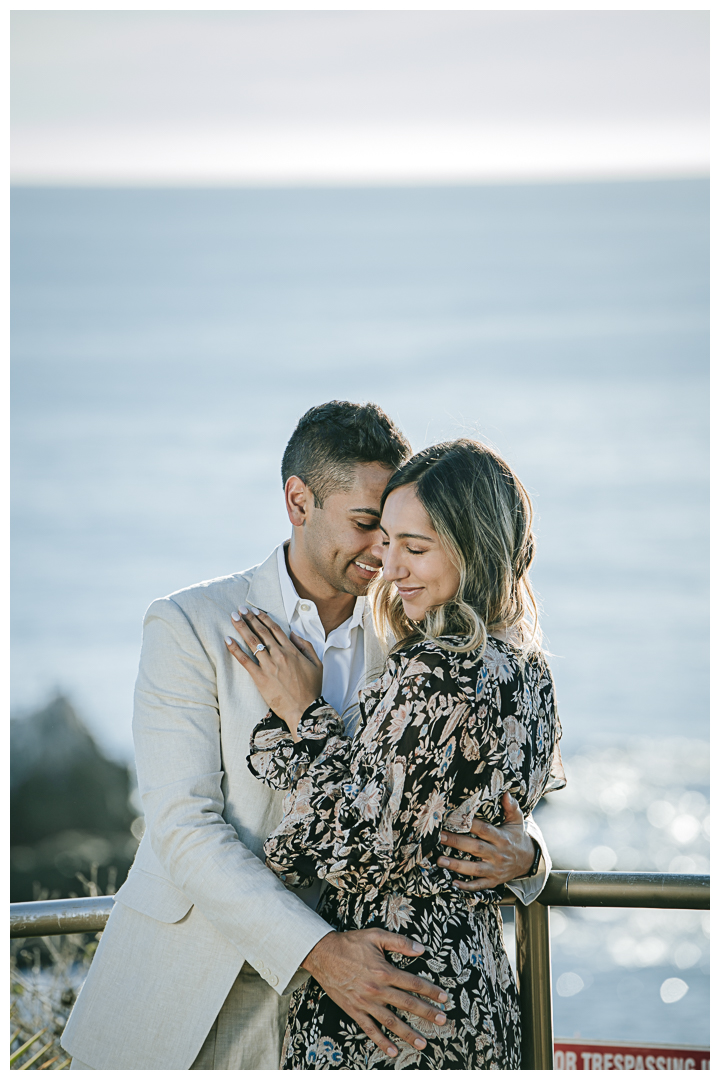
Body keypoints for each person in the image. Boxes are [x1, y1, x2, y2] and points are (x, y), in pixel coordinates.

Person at [61, 403, 551, 1071]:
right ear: (298, 501)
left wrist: (528, 856)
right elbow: (183, 829)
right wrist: (317, 951)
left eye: (400, 533)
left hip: (358, 1016)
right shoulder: (190, 623)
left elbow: (456, 787)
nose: (383, 553)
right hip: (196, 995)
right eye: (366, 525)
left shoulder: (414, 640)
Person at [226, 436, 565, 1069]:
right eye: (387, 542)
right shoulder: (530, 672)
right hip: (476, 987)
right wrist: (529, 853)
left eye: (416, 548)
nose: (392, 568)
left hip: (389, 1000)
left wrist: (304, 713)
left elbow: (332, 843)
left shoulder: (431, 670)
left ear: (473, 549)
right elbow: (483, 808)